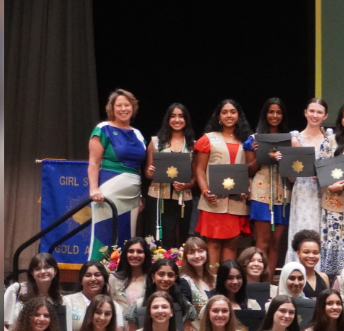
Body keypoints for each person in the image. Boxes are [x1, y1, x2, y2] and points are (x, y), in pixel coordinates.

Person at [290, 99, 344, 279]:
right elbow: (319, 171)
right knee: (327, 239)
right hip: (329, 198)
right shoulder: (329, 142)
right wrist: (328, 184)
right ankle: (318, 281)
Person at [87, 89, 150, 257]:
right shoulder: (103, 129)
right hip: (109, 190)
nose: (123, 109)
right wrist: (94, 189)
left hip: (133, 194)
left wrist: (140, 196)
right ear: (112, 109)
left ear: (133, 107)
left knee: (126, 240)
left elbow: (138, 167)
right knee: (104, 238)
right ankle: (97, 277)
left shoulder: (138, 134)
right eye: (119, 105)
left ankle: (121, 279)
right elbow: (93, 163)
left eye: (127, 105)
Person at [195, 99, 255, 263]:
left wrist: (247, 188)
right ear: (218, 117)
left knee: (232, 244)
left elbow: (250, 170)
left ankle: (227, 283)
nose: (229, 115)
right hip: (213, 201)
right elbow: (199, 169)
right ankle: (212, 283)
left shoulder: (246, 141)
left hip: (237, 202)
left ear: (238, 116)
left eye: (233, 112)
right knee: (213, 244)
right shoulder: (208, 139)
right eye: (225, 112)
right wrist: (205, 191)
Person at [246, 98, 292, 264]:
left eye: (278, 112)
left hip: (283, 193)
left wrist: (286, 157)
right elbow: (249, 170)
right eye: (271, 111)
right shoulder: (254, 139)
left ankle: (269, 285)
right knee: (262, 242)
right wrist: (260, 155)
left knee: (276, 244)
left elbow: (294, 168)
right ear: (265, 114)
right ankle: (257, 283)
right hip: (261, 192)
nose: (274, 115)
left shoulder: (290, 139)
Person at [144, 103, 198, 245]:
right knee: (156, 237)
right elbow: (148, 173)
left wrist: (187, 185)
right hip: (157, 197)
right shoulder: (155, 142)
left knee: (180, 237)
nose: (177, 120)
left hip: (183, 199)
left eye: (181, 116)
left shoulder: (193, 145)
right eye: (173, 116)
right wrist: (150, 172)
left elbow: (195, 178)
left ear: (186, 120)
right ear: (168, 119)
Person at [5, 253, 65, 331]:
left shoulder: (61, 300)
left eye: (47, 267)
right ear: (32, 273)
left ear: (55, 271)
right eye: (38, 268)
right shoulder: (16, 290)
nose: (43, 271)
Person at [70, 259, 125, 331]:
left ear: (105, 280)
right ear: (81, 281)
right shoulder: (68, 301)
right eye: (88, 275)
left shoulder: (114, 306)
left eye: (97, 275)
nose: (93, 279)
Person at [290, 231, 330, 297]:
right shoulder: (291, 278)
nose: (311, 256)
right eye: (306, 252)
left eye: (315, 253)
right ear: (298, 253)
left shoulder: (324, 277)